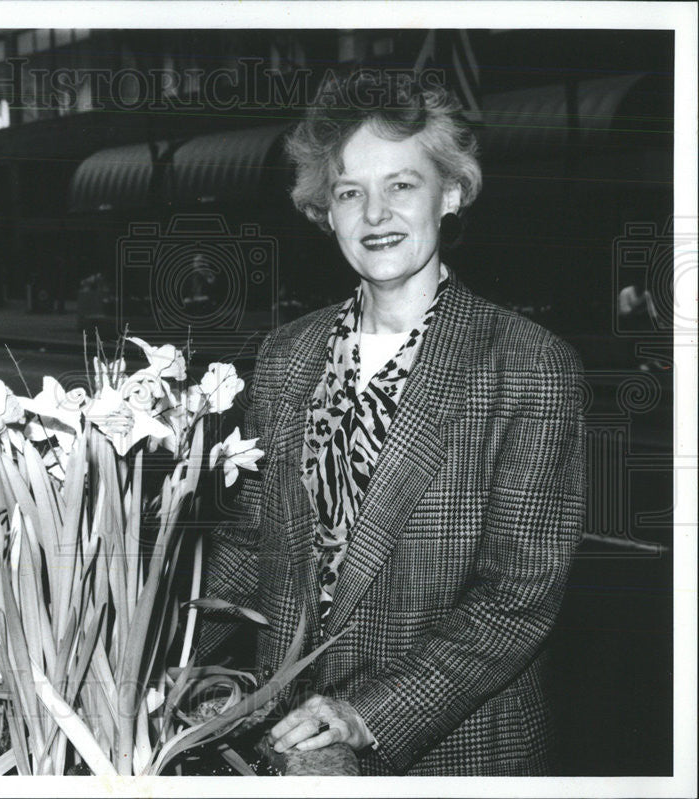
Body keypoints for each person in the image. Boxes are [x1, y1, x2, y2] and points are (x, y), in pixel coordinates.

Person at [197, 72, 586, 776]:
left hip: (448, 751)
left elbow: (517, 598)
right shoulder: (287, 356)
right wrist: (142, 639)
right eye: (350, 192)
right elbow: (249, 547)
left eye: (401, 185)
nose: (375, 212)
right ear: (326, 211)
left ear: (452, 192)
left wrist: (364, 714)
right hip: (287, 740)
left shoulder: (530, 365)